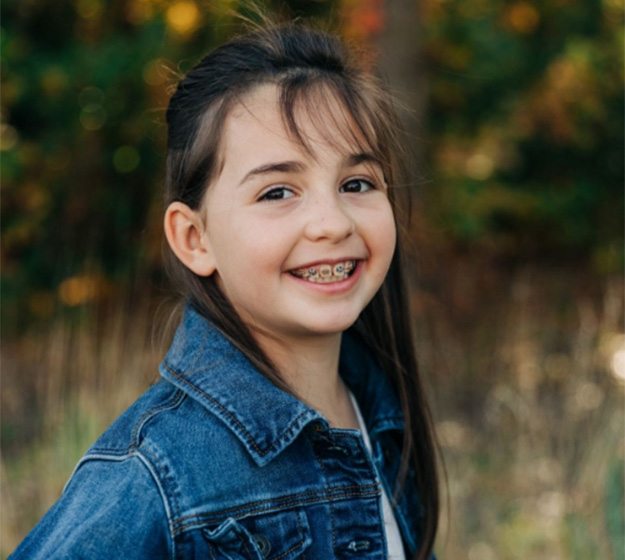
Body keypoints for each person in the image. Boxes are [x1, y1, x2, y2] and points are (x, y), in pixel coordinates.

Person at [11, 15, 440, 560]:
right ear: (194, 238)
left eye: (356, 183)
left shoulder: (382, 415)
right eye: (278, 192)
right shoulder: (156, 477)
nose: (332, 223)